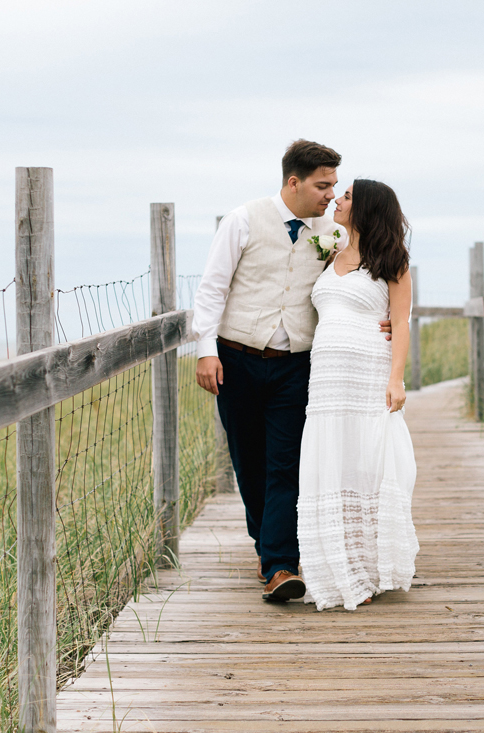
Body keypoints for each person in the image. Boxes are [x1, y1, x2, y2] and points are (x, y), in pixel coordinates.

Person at [192, 140, 390, 602]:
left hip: (297, 365)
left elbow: (370, 269)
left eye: (335, 186)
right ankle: (268, 547)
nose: (330, 194)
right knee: (248, 462)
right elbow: (212, 289)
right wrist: (206, 350)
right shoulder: (242, 220)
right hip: (236, 357)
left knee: (286, 464)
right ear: (293, 182)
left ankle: (281, 564)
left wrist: (381, 318)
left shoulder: (336, 232)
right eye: (323, 185)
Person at [297, 179, 419, 611]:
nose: (336, 200)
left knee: (365, 460)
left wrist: (396, 378)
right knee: (331, 460)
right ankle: (336, 570)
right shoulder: (329, 253)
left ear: (365, 207)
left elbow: (400, 323)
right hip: (326, 379)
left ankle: (369, 568)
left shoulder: (392, 261)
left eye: (346, 196)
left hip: (368, 371)